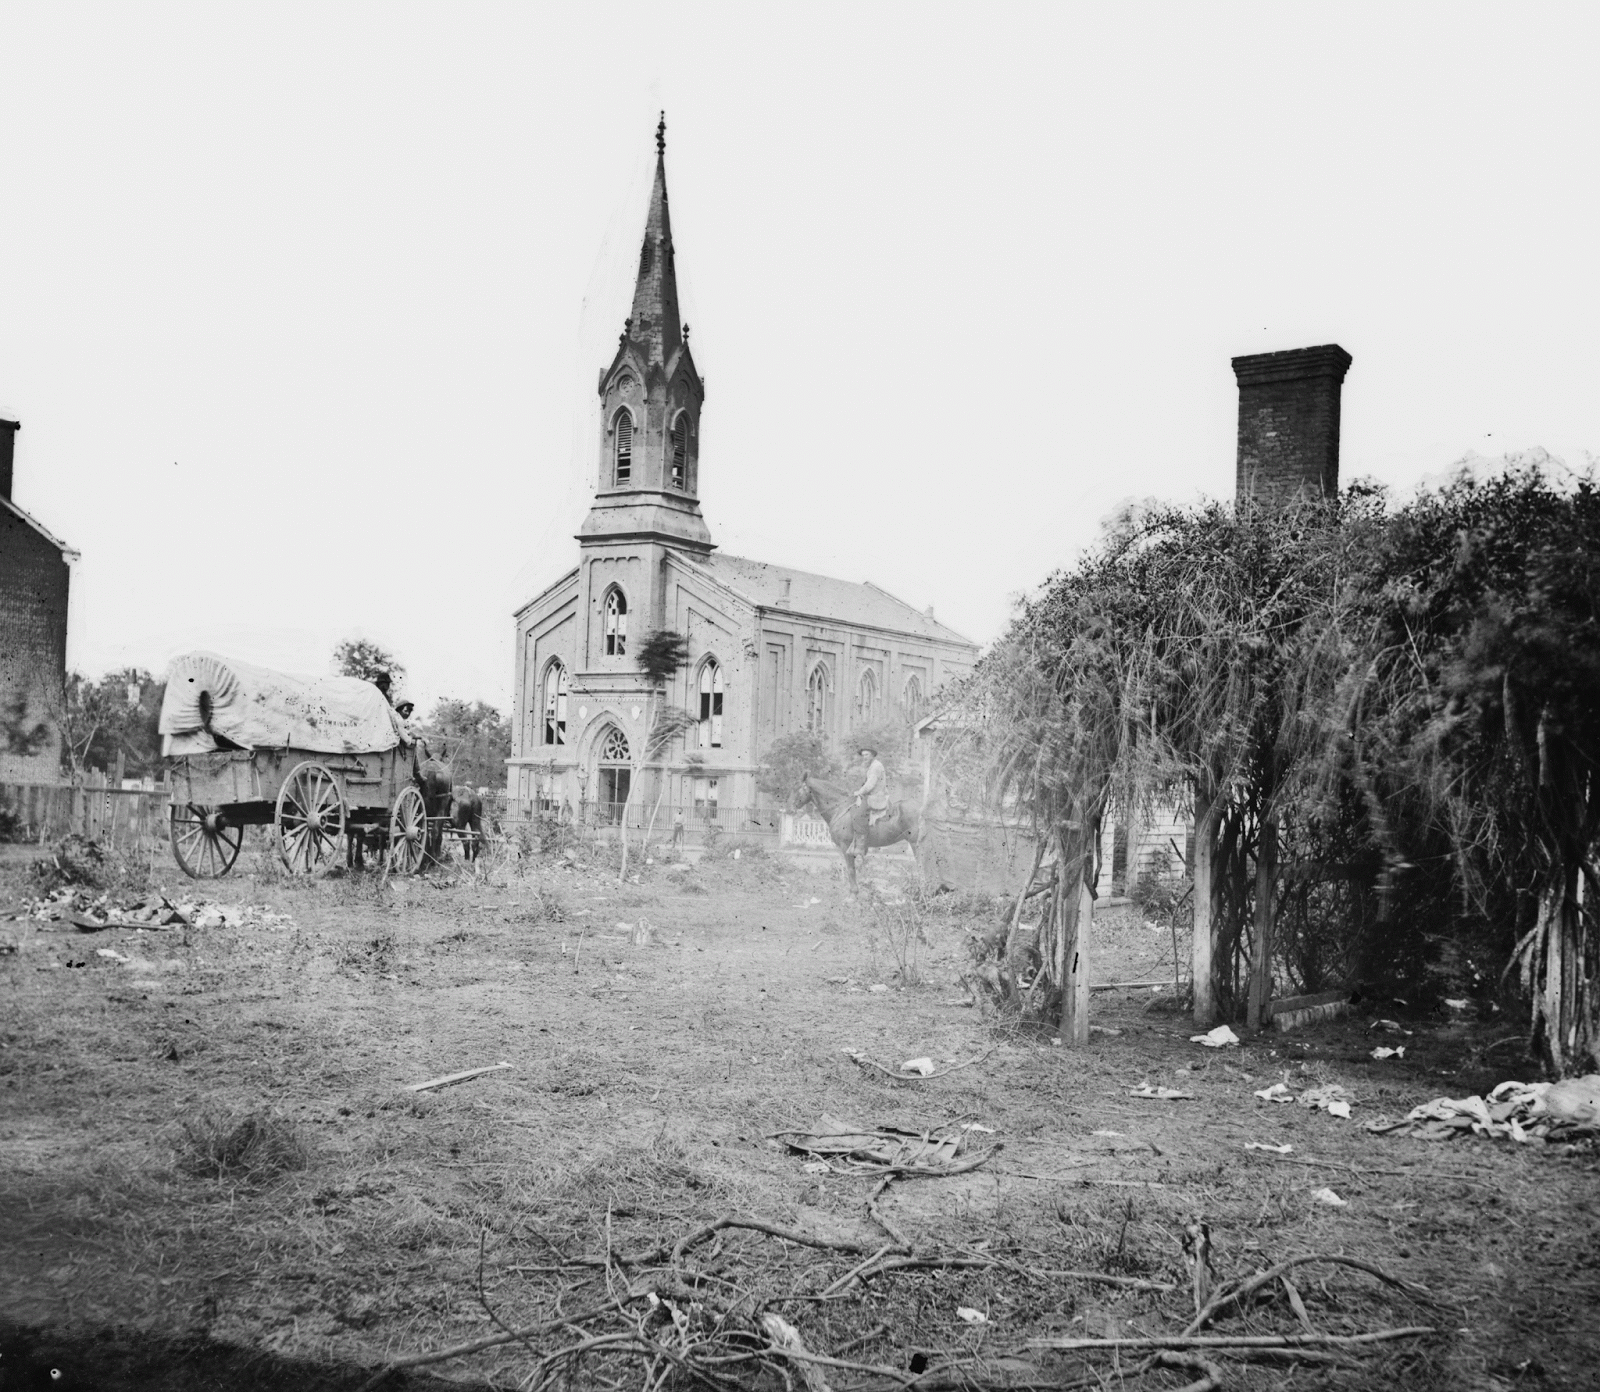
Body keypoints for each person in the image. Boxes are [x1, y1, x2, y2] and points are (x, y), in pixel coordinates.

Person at [849, 744, 889, 858]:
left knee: (857, 815)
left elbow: (871, 784)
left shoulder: (876, 766)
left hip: (876, 796)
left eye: (867, 755)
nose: (864, 757)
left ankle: (861, 846)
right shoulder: (872, 766)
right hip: (873, 795)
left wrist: (860, 792)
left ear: (872, 755)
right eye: (863, 755)